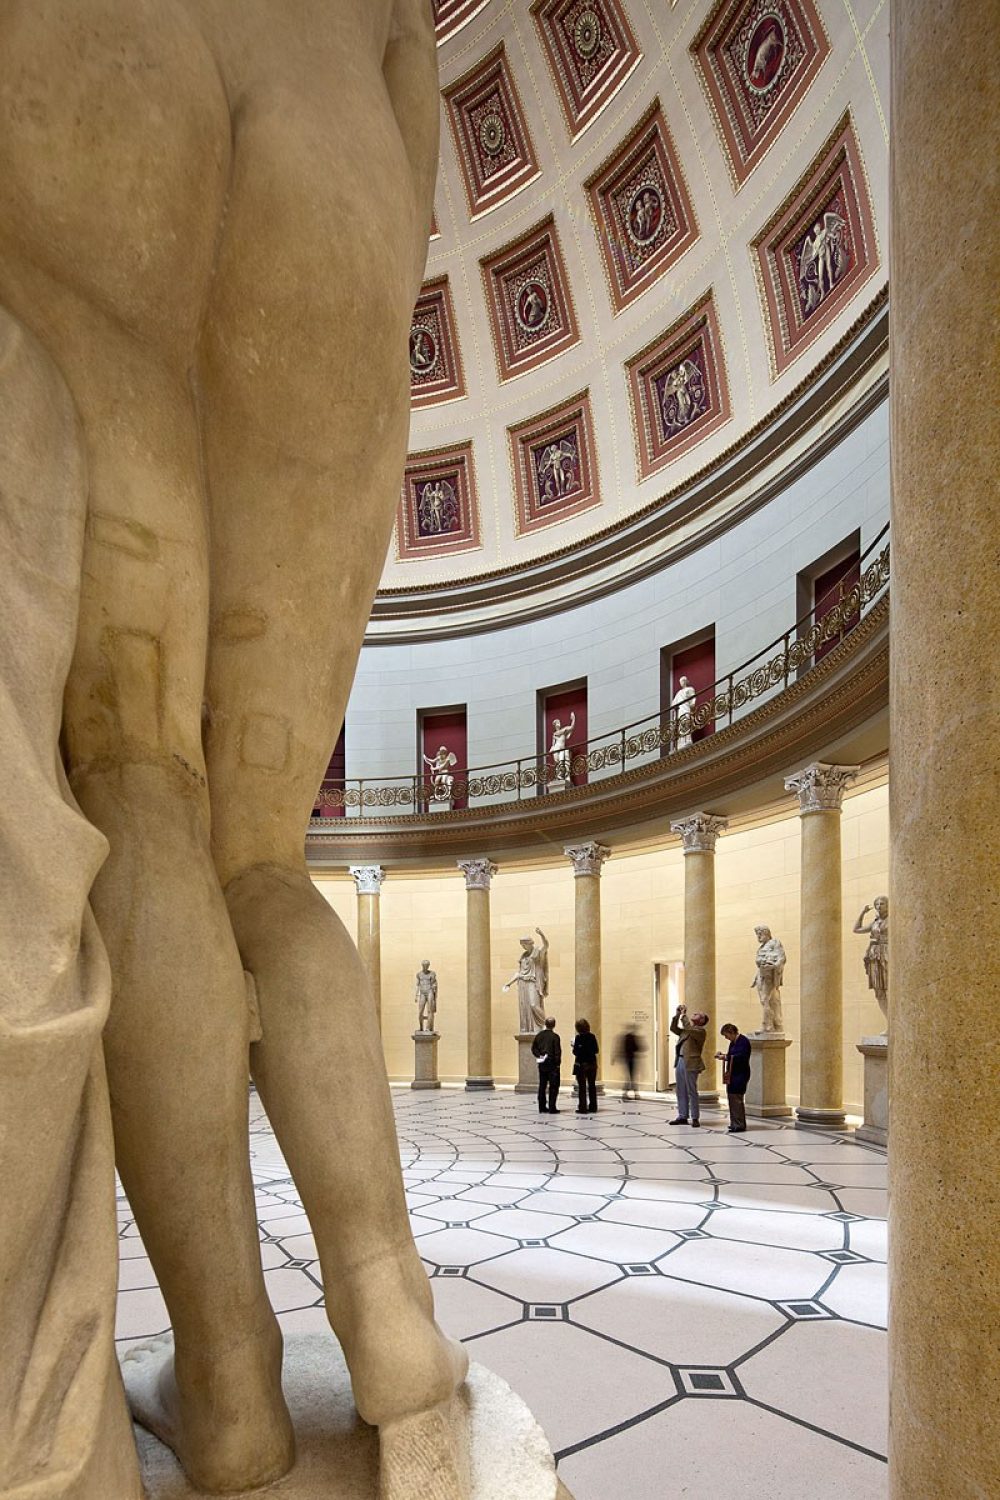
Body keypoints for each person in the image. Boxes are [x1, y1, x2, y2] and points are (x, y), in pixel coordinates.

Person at [0, 4, 465, 1495]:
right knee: (260, 853)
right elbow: (416, 162)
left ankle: (230, 1371)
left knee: (137, 767)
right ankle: (389, 1305)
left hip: (100, 73)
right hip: (336, 155)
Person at [669, 1003, 708, 1127]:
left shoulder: (700, 1031)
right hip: (680, 1060)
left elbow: (689, 1028)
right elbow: (674, 1029)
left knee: (692, 1090)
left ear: (701, 1020)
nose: (694, 1014)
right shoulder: (687, 1030)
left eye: (697, 1014)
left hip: (691, 1062)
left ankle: (695, 1117)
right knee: (680, 1090)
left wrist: (684, 1015)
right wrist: (677, 1015)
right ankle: (682, 1116)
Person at [716, 1024, 752, 1133]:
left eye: (726, 1035)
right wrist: (723, 1055)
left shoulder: (743, 1041)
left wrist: (726, 1057)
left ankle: (739, 1124)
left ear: (731, 1032)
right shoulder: (733, 1042)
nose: (726, 1038)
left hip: (740, 1074)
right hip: (733, 1074)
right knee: (731, 1098)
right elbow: (732, 1055)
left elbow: (741, 1057)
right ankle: (734, 1122)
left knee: (737, 1098)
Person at [531, 1016, 562, 1115]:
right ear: (554, 1025)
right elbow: (557, 1051)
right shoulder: (555, 1037)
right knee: (553, 1086)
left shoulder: (539, 1035)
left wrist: (539, 1055)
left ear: (545, 1024)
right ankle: (552, 1107)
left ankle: (542, 1107)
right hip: (552, 1064)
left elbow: (533, 1048)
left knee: (542, 1085)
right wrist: (558, 1064)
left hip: (542, 1063)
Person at [572, 1018, 599, 1114]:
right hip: (592, 1064)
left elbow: (575, 1052)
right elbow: (596, 1050)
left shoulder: (578, 1038)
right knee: (592, 1085)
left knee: (582, 1087)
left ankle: (582, 1107)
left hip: (582, 1065)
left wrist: (576, 1047)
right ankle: (593, 1106)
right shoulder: (592, 1036)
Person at [613, 1028, 643, 1100]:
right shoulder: (633, 1038)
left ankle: (627, 1093)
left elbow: (620, 1048)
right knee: (632, 1077)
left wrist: (615, 1057)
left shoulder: (626, 1037)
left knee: (629, 1077)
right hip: (632, 1059)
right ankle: (634, 1094)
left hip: (627, 1059)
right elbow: (638, 1048)